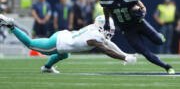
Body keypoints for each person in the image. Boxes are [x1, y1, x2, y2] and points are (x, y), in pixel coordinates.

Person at [0, 14, 136, 73]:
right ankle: (11, 25)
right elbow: (107, 50)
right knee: (30, 44)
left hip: (62, 36)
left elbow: (109, 43)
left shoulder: (95, 29)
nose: (110, 32)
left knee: (65, 55)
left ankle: (47, 68)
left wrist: (125, 54)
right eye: (108, 29)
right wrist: (124, 58)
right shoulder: (95, 36)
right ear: (102, 27)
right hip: (57, 43)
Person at [99, 0, 175, 74]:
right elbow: (106, 8)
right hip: (127, 30)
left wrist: (142, 13)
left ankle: (159, 36)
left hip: (139, 23)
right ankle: (167, 67)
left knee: (159, 41)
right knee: (145, 52)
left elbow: (143, 7)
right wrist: (107, 21)